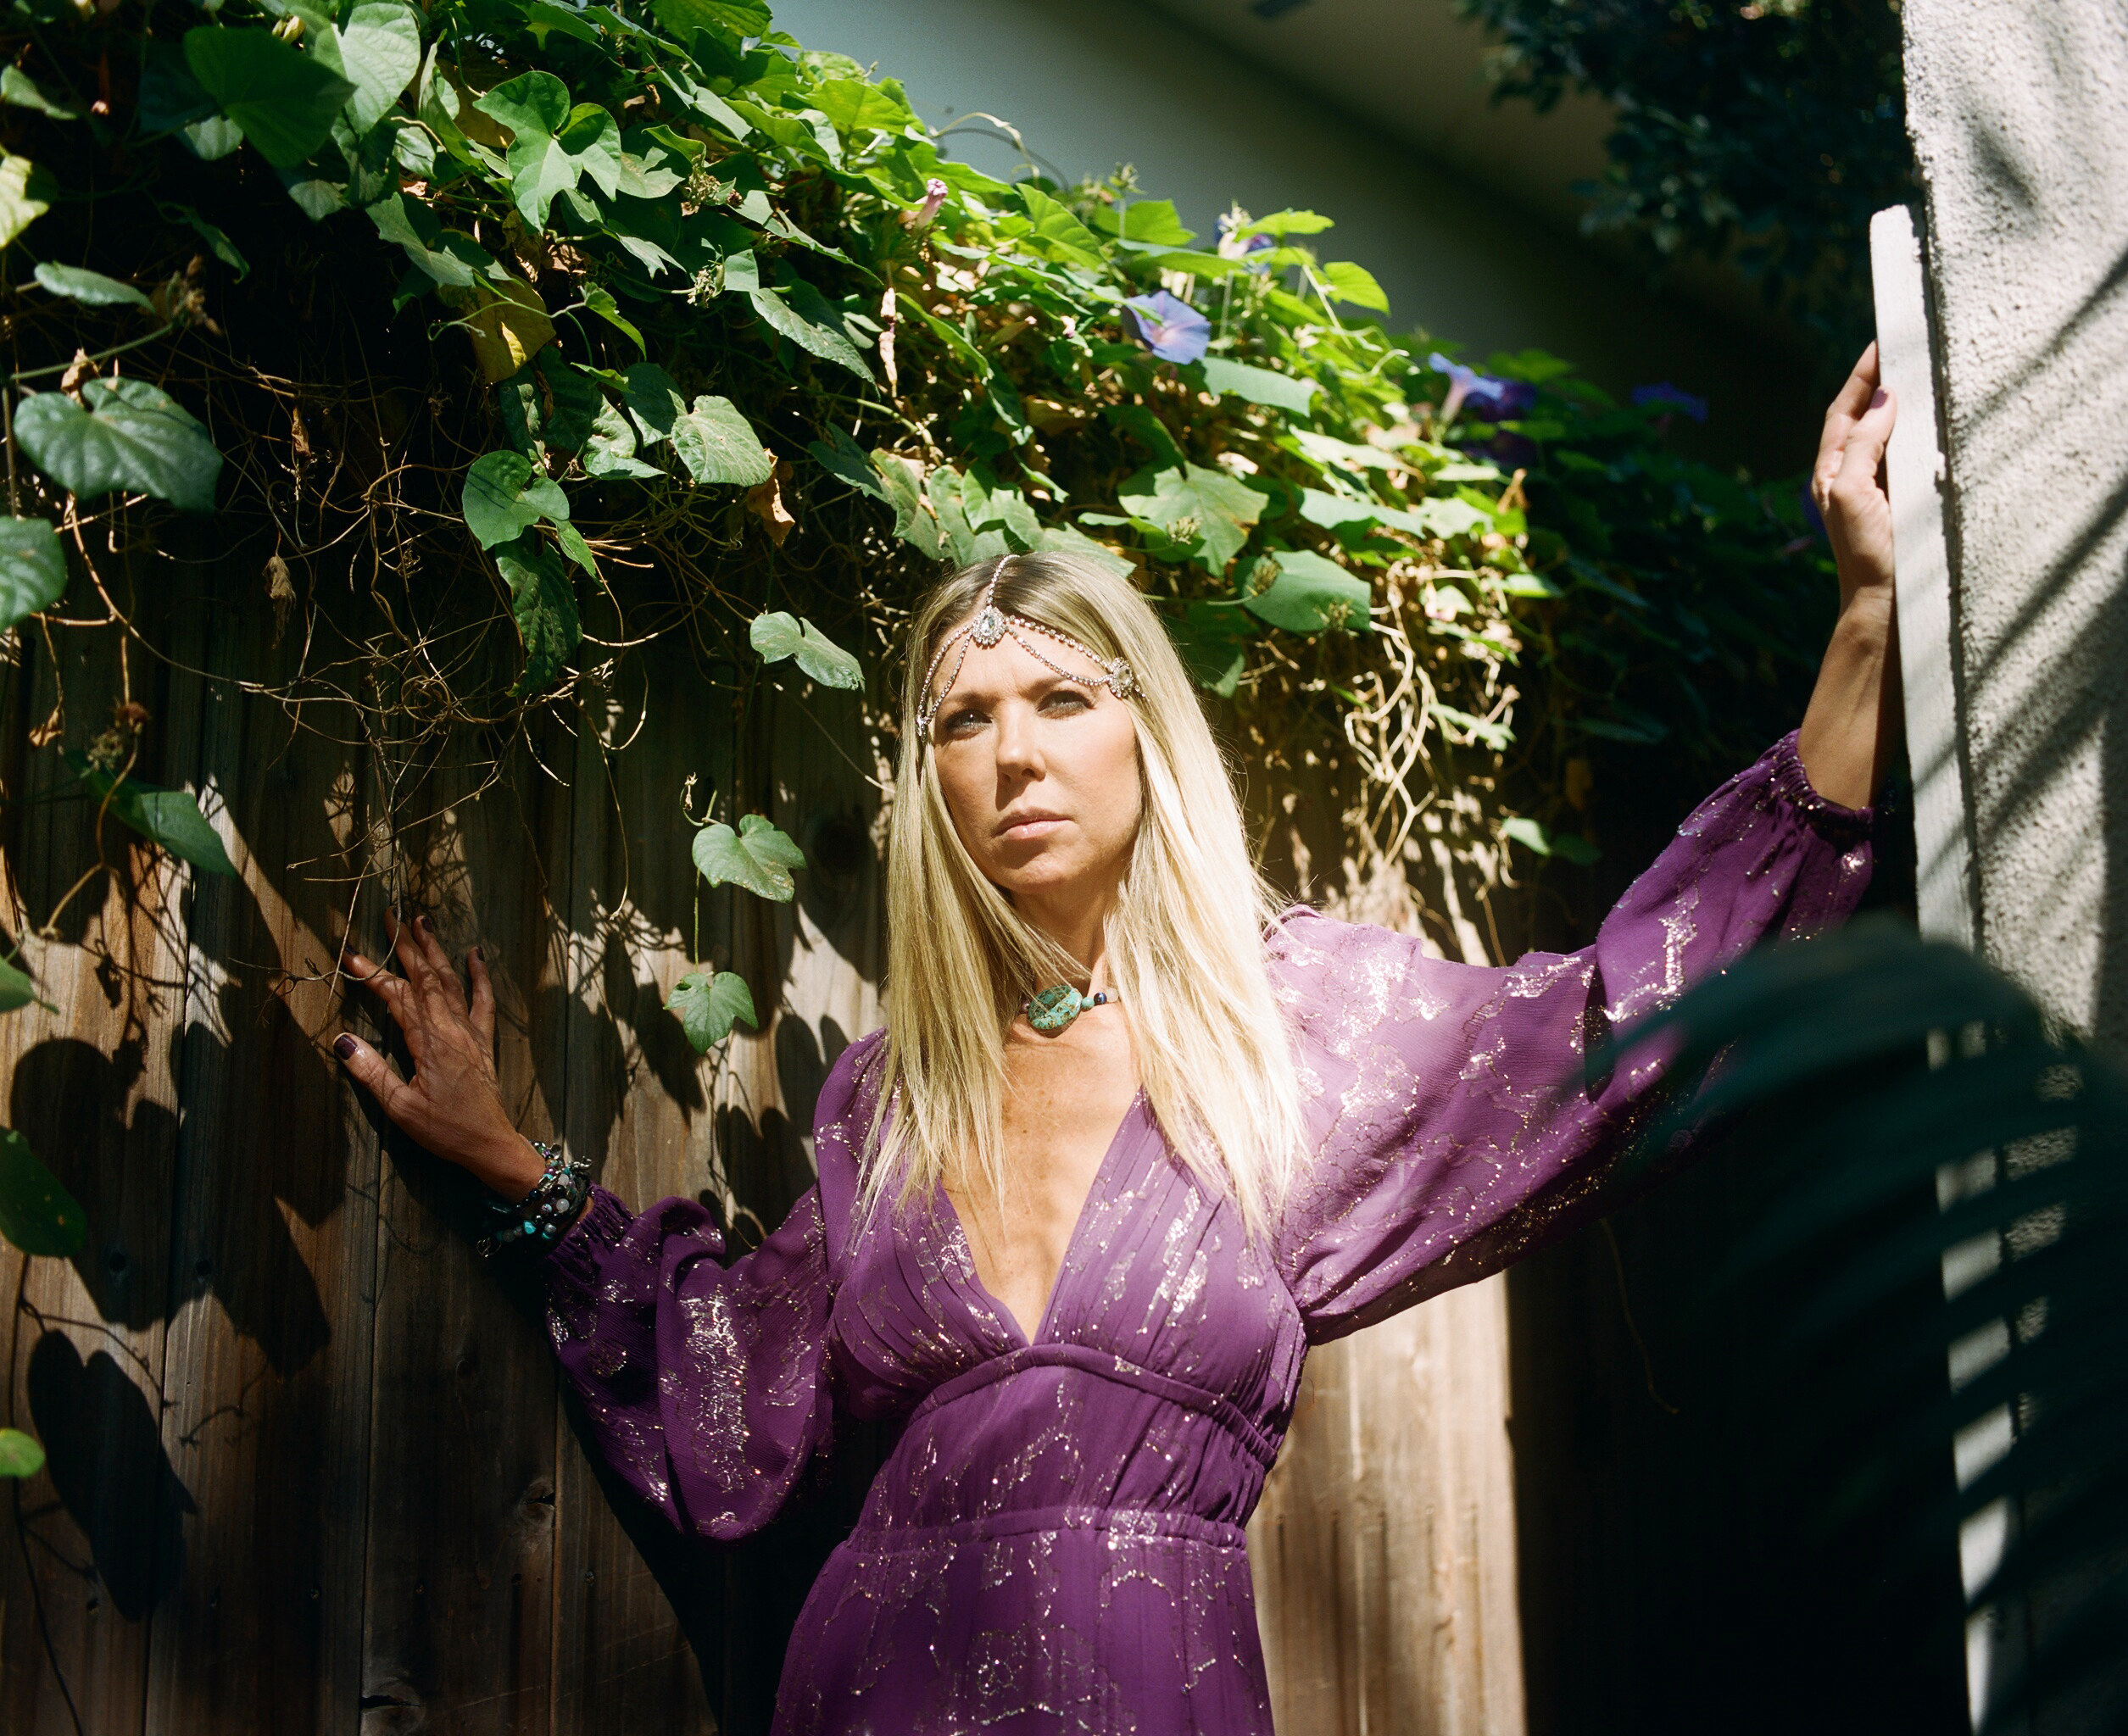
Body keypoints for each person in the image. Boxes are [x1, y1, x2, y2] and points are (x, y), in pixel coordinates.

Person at [334, 348, 1902, 1733]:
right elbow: (736, 1384)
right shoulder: (892, 1099)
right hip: (868, 1686)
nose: (1013, 753)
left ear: (1146, 735)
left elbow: (1624, 1024)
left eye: (1061, 700)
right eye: (961, 721)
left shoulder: (1295, 1024)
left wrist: (1866, 623)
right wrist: (513, 1166)